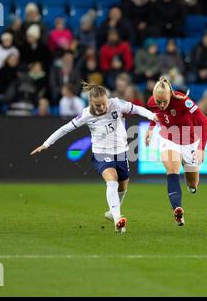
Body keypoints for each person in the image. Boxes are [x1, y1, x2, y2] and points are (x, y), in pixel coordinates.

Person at [30, 82, 158, 233]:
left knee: (123, 187)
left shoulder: (116, 104)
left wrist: (153, 117)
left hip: (121, 152)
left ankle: (112, 212)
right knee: (112, 181)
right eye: (97, 105)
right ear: (91, 102)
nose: (102, 107)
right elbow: (65, 129)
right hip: (101, 153)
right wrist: (46, 144)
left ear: (107, 99)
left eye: (103, 103)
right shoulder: (86, 114)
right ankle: (118, 220)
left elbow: (137, 109)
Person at [145, 77, 207, 226]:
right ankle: (177, 209)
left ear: (170, 95)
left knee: (193, 183)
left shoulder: (183, 101)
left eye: (164, 102)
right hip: (169, 138)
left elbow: (204, 122)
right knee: (172, 171)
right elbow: (156, 114)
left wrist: (201, 148)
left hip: (190, 141)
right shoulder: (152, 102)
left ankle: (191, 187)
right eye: (158, 101)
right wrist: (150, 128)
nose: (161, 105)